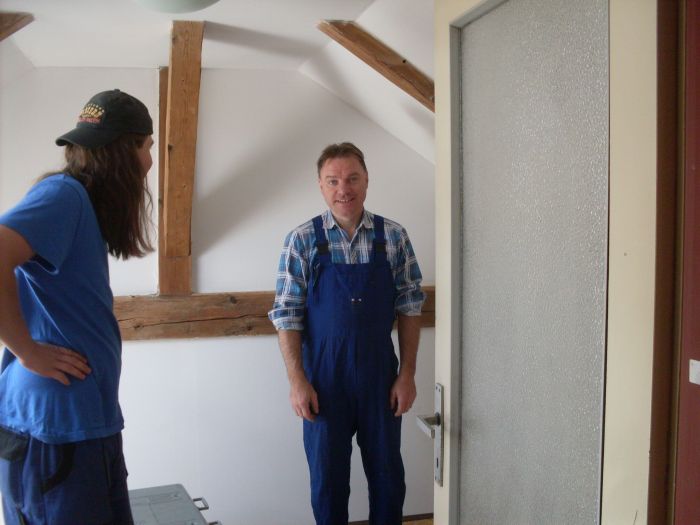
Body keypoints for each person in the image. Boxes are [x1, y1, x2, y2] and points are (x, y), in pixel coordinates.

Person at [0, 89, 154, 525]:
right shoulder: (63, 195)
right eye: (147, 147)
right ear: (125, 151)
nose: (149, 161)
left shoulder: (80, 204)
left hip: (82, 424)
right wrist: (28, 351)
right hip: (55, 429)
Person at [269, 142, 426, 525]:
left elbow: (410, 306)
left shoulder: (394, 237)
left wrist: (407, 374)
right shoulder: (302, 240)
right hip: (323, 384)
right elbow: (287, 315)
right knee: (328, 484)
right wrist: (297, 381)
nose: (344, 189)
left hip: (380, 380)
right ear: (321, 186)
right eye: (333, 180)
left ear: (367, 181)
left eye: (353, 178)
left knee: (388, 480)